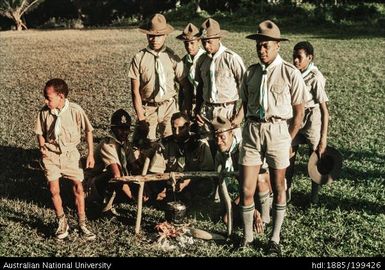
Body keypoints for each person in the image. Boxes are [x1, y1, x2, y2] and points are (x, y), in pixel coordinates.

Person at [239, 20, 306, 256]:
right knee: (247, 188)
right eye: (259, 45)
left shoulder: (290, 72)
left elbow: (299, 113)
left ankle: (274, 238)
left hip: (278, 131)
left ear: (277, 45)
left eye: (266, 45)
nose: (262, 50)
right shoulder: (250, 73)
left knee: (278, 187)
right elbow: (246, 104)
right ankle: (247, 238)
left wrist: (288, 139)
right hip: (252, 131)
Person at [35, 78, 96, 240]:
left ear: (61, 96)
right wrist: (43, 150)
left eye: (49, 97)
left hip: (70, 156)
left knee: (79, 188)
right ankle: (62, 222)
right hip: (51, 155)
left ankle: (82, 223)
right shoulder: (43, 112)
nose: (45, 101)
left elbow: (88, 131)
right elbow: (40, 132)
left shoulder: (75, 110)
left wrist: (90, 154)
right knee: (54, 189)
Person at [129, 13, 189, 142]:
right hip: (148, 108)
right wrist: (141, 118)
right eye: (151, 36)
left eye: (159, 36)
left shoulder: (172, 57)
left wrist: (184, 110)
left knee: (171, 140)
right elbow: (135, 91)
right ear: (146, 35)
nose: (155, 40)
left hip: (169, 106)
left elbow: (185, 84)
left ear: (165, 36)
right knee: (145, 143)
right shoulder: (139, 58)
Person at [286, 41, 330, 204]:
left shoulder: (316, 77)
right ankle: (286, 193)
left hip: (312, 118)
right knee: (288, 154)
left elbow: (325, 111)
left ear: (309, 58)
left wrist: (323, 138)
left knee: (315, 158)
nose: (295, 61)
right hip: (295, 116)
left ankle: (314, 196)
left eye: (299, 57)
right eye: (294, 57)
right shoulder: (293, 73)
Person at [193, 18, 245, 153]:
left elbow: (246, 89)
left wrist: (240, 115)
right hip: (207, 111)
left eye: (209, 41)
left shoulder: (231, 58)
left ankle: (231, 173)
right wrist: (197, 110)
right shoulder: (202, 60)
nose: (206, 45)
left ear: (218, 39)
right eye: (203, 42)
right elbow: (200, 87)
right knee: (207, 147)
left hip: (227, 110)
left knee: (230, 148)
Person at [212, 116, 271, 235]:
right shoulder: (220, 154)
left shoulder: (244, 148)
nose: (219, 142)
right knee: (226, 219)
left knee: (259, 178)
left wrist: (256, 210)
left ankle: (266, 217)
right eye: (216, 138)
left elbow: (262, 179)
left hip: (262, 191)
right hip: (243, 193)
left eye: (222, 137)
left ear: (231, 134)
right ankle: (249, 215)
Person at [86, 109, 143, 216]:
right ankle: (105, 208)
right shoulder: (107, 145)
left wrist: (143, 187)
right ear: (113, 128)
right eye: (120, 129)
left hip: (119, 182)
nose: (124, 132)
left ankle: (120, 197)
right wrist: (133, 197)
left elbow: (134, 166)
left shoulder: (125, 144)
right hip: (94, 185)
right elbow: (117, 175)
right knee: (111, 176)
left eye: (126, 129)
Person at [160, 112, 215, 202]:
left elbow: (207, 171)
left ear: (188, 126)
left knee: (205, 185)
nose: (177, 132)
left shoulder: (199, 143)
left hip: (193, 181)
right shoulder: (165, 143)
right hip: (172, 181)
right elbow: (158, 169)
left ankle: (194, 201)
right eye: (174, 128)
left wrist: (187, 182)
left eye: (181, 128)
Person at [176, 23, 206, 117]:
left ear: (199, 41)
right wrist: (182, 106)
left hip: (204, 102)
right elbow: (182, 87)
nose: (189, 47)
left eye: (192, 43)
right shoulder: (185, 60)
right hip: (189, 101)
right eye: (186, 43)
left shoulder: (205, 59)